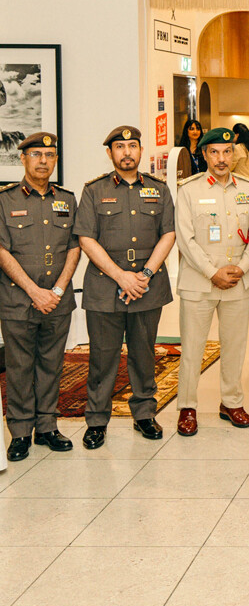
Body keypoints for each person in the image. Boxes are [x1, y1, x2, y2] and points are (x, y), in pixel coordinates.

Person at [75, 126, 176, 449]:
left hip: (148, 284)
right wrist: (121, 276)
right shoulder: (93, 190)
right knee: (102, 358)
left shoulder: (159, 189)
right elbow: (86, 238)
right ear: (110, 153)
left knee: (144, 354)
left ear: (141, 151)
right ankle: (97, 420)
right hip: (105, 286)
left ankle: (144, 413)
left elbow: (169, 233)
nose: (127, 152)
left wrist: (144, 274)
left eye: (133, 146)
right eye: (120, 147)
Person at [173, 127, 249, 435]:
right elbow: (185, 239)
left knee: (235, 346)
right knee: (193, 348)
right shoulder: (189, 190)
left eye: (227, 152)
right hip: (199, 282)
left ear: (234, 155)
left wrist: (242, 266)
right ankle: (187, 407)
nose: (222, 159)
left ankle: (232, 402)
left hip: (239, 280)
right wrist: (212, 272)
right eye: (215, 152)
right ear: (205, 155)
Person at [0, 133, 80, 460]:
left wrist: (58, 290)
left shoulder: (67, 199)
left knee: (51, 363)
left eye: (49, 154)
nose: (43, 160)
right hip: (18, 300)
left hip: (57, 301)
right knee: (19, 367)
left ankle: (47, 426)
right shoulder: (5, 200)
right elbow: (2, 251)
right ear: (23, 159)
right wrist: (34, 291)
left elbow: (75, 246)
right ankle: (20, 432)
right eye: (36, 154)